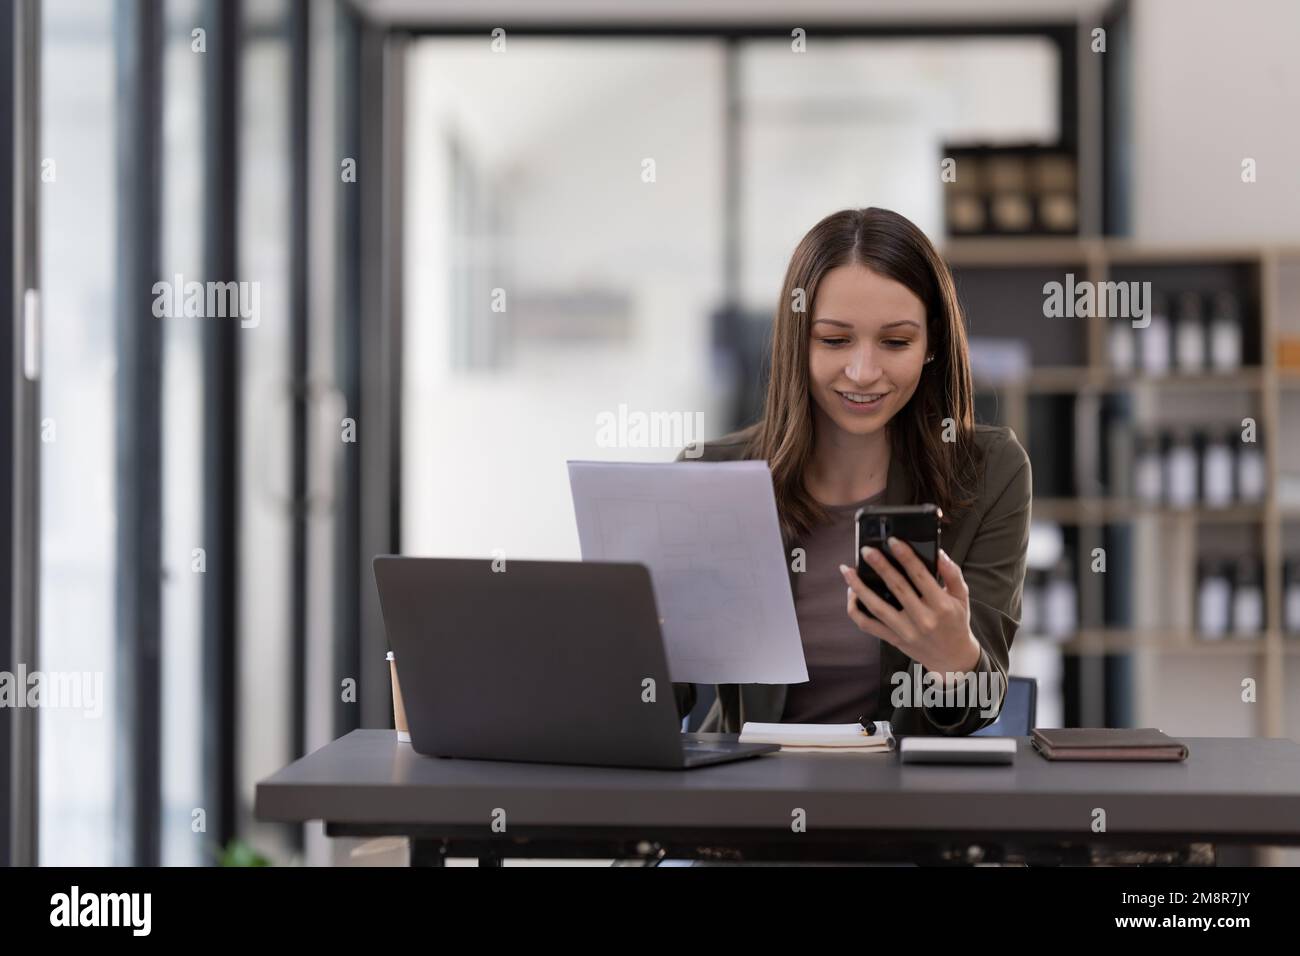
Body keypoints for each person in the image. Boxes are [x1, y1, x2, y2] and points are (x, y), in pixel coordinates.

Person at [673, 207, 1031, 736]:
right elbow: (663, 698)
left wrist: (956, 659)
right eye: (835, 340)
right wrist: (640, 641)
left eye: (895, 342)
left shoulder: (989, 472)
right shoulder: (711, 478)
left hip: (900, 805)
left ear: (931, 343)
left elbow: (979, 707)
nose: (863, 373)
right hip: (745, 799)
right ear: (798, 341)